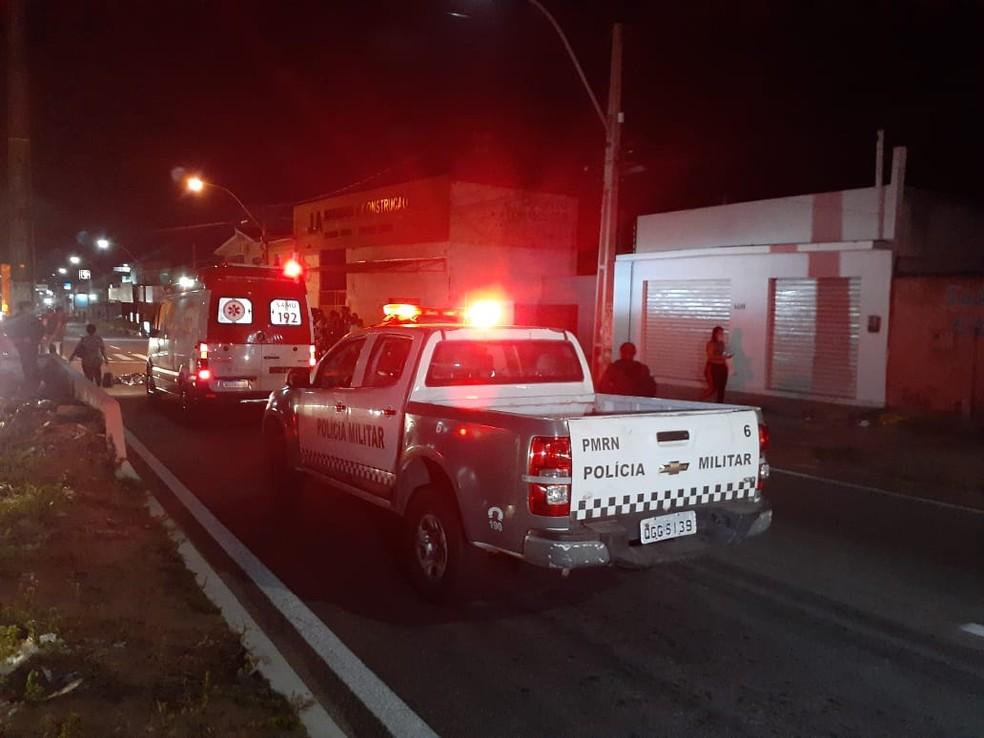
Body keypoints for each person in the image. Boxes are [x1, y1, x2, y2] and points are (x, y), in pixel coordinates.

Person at [1, 301, 45, 390]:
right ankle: (31, 383)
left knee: (27, 363)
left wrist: (15, 339)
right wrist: (31, 339)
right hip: (28, 346)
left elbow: (5, 328)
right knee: (29, 363)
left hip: (24, 346)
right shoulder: (31, 319)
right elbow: (41, 330)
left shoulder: (16, 319)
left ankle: (30, 382)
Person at [701, 325, 732, 403]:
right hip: (713, 367)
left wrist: (726, 358)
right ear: (715, 334)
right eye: (720, 333)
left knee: (721, 388)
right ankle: (699, 402)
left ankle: (719, 403)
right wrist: (722, 357)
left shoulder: (722, 343)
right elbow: (710, 356)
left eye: (722, 333)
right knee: (713, 388)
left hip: (722, 367)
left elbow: (723, 354)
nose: (721, 334)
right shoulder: (711, 344)